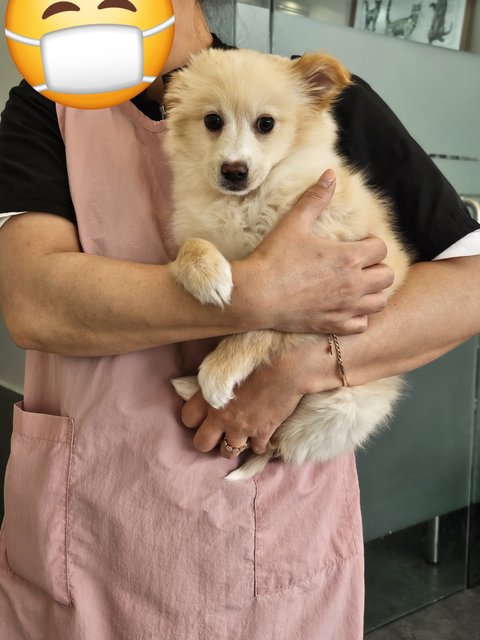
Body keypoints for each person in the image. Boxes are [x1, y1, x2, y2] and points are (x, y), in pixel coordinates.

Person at [0, 1, 479, 638]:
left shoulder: (316, 97)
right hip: (93, 516)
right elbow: (33, 304)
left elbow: (471, 285)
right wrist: (259, 294)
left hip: (272, 519)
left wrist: (296, 368)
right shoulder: (46, 105)